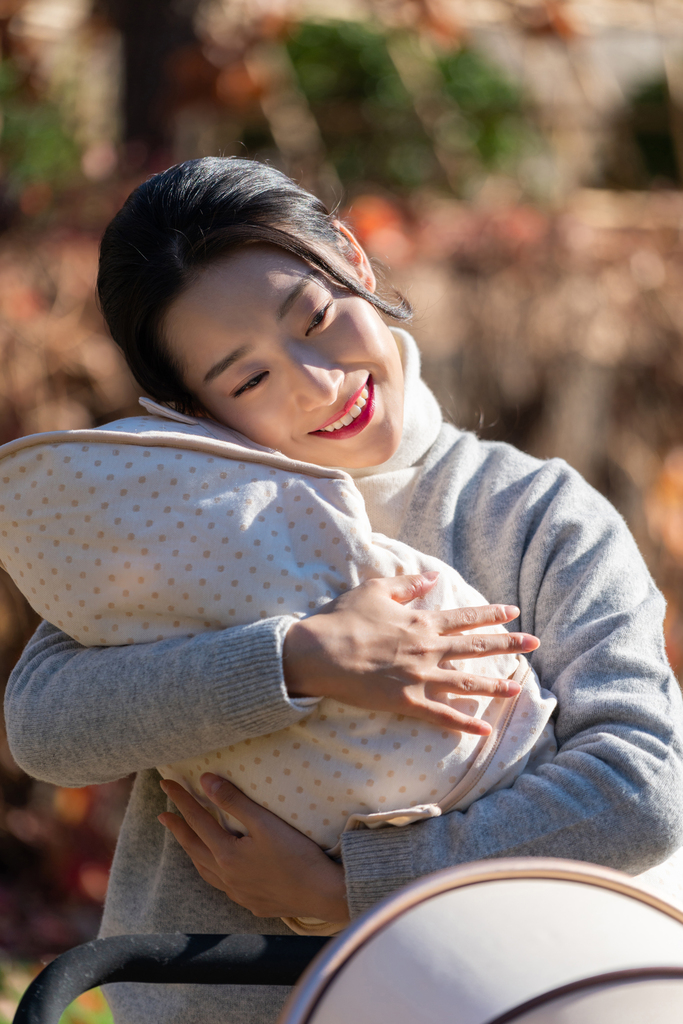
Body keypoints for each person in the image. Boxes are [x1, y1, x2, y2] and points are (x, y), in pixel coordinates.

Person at [5, 157, 683, 1024]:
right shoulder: (179, 514)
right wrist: (299, 660)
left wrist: (351, 888)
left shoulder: (533, 512)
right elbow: (46, 726)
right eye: (246, 379)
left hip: (476, 1001)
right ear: (189, 409)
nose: (319, 383)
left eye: (317, 317)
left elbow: (641, 787)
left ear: (354, 261)